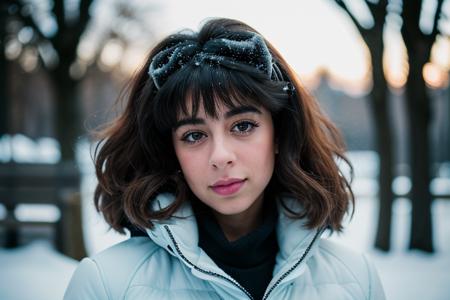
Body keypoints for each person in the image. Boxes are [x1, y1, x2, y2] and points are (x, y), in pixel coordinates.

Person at [64, 18, 385, 300]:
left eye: (243, 126)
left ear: (280, 132)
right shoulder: (107, 285)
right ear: (169, 150)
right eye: (194, 135)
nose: (221, 156)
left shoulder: (356, 280)